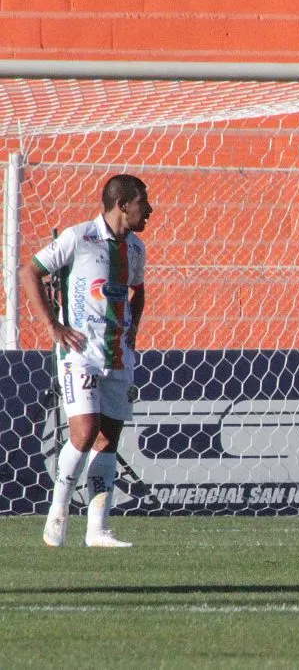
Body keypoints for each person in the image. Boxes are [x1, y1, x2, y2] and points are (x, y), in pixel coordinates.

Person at [20, 174, 152, 548]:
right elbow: (29, 272)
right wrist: (53, 326)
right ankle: (58, 512)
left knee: (109, 437)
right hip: (80, 352)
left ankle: (98, 529)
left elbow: (137, 292)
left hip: (118, 355)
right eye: (144, 201)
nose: (150, 209)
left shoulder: (137, 248)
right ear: (123, 204)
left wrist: (134, 328)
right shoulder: (78, 238)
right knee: (85, 429)